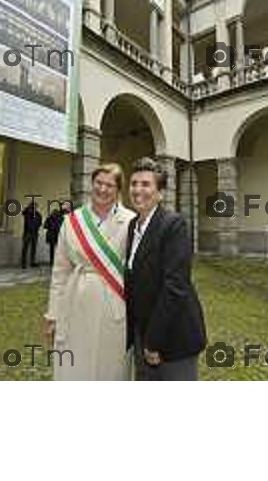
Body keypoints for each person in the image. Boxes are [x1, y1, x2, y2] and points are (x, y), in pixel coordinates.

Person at [43, 164, 135, 380]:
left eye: (109, 185)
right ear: (91, 184)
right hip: (76, 300)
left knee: (111, 364)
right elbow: (60, 272)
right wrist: (52, 314)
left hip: (115, 302)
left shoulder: (131, 221)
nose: (103, 189)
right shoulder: (72, 221)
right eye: (99, 183)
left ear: (118, 190)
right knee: (76, 363)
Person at [126, 157, 206, 381]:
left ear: (160, 193)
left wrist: (153, 342)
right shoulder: (133, 225)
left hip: (172, 337)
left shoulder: (173, 225)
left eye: (145, 184)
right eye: (134, 184)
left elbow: (175, 287)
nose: (137, 190)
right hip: (144, 332)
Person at [21, 201, 42, 268]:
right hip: (28, 233)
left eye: (35, 207)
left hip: (35, 233)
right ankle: (23, 263)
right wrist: (28, 208)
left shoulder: (38, 214)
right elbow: (24, 213)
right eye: (33, 206)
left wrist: (36, 227)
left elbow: (40, 222)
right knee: (25, 248)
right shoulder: (27, 213)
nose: (34, 208)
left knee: (33, 248)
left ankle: (32, 261)